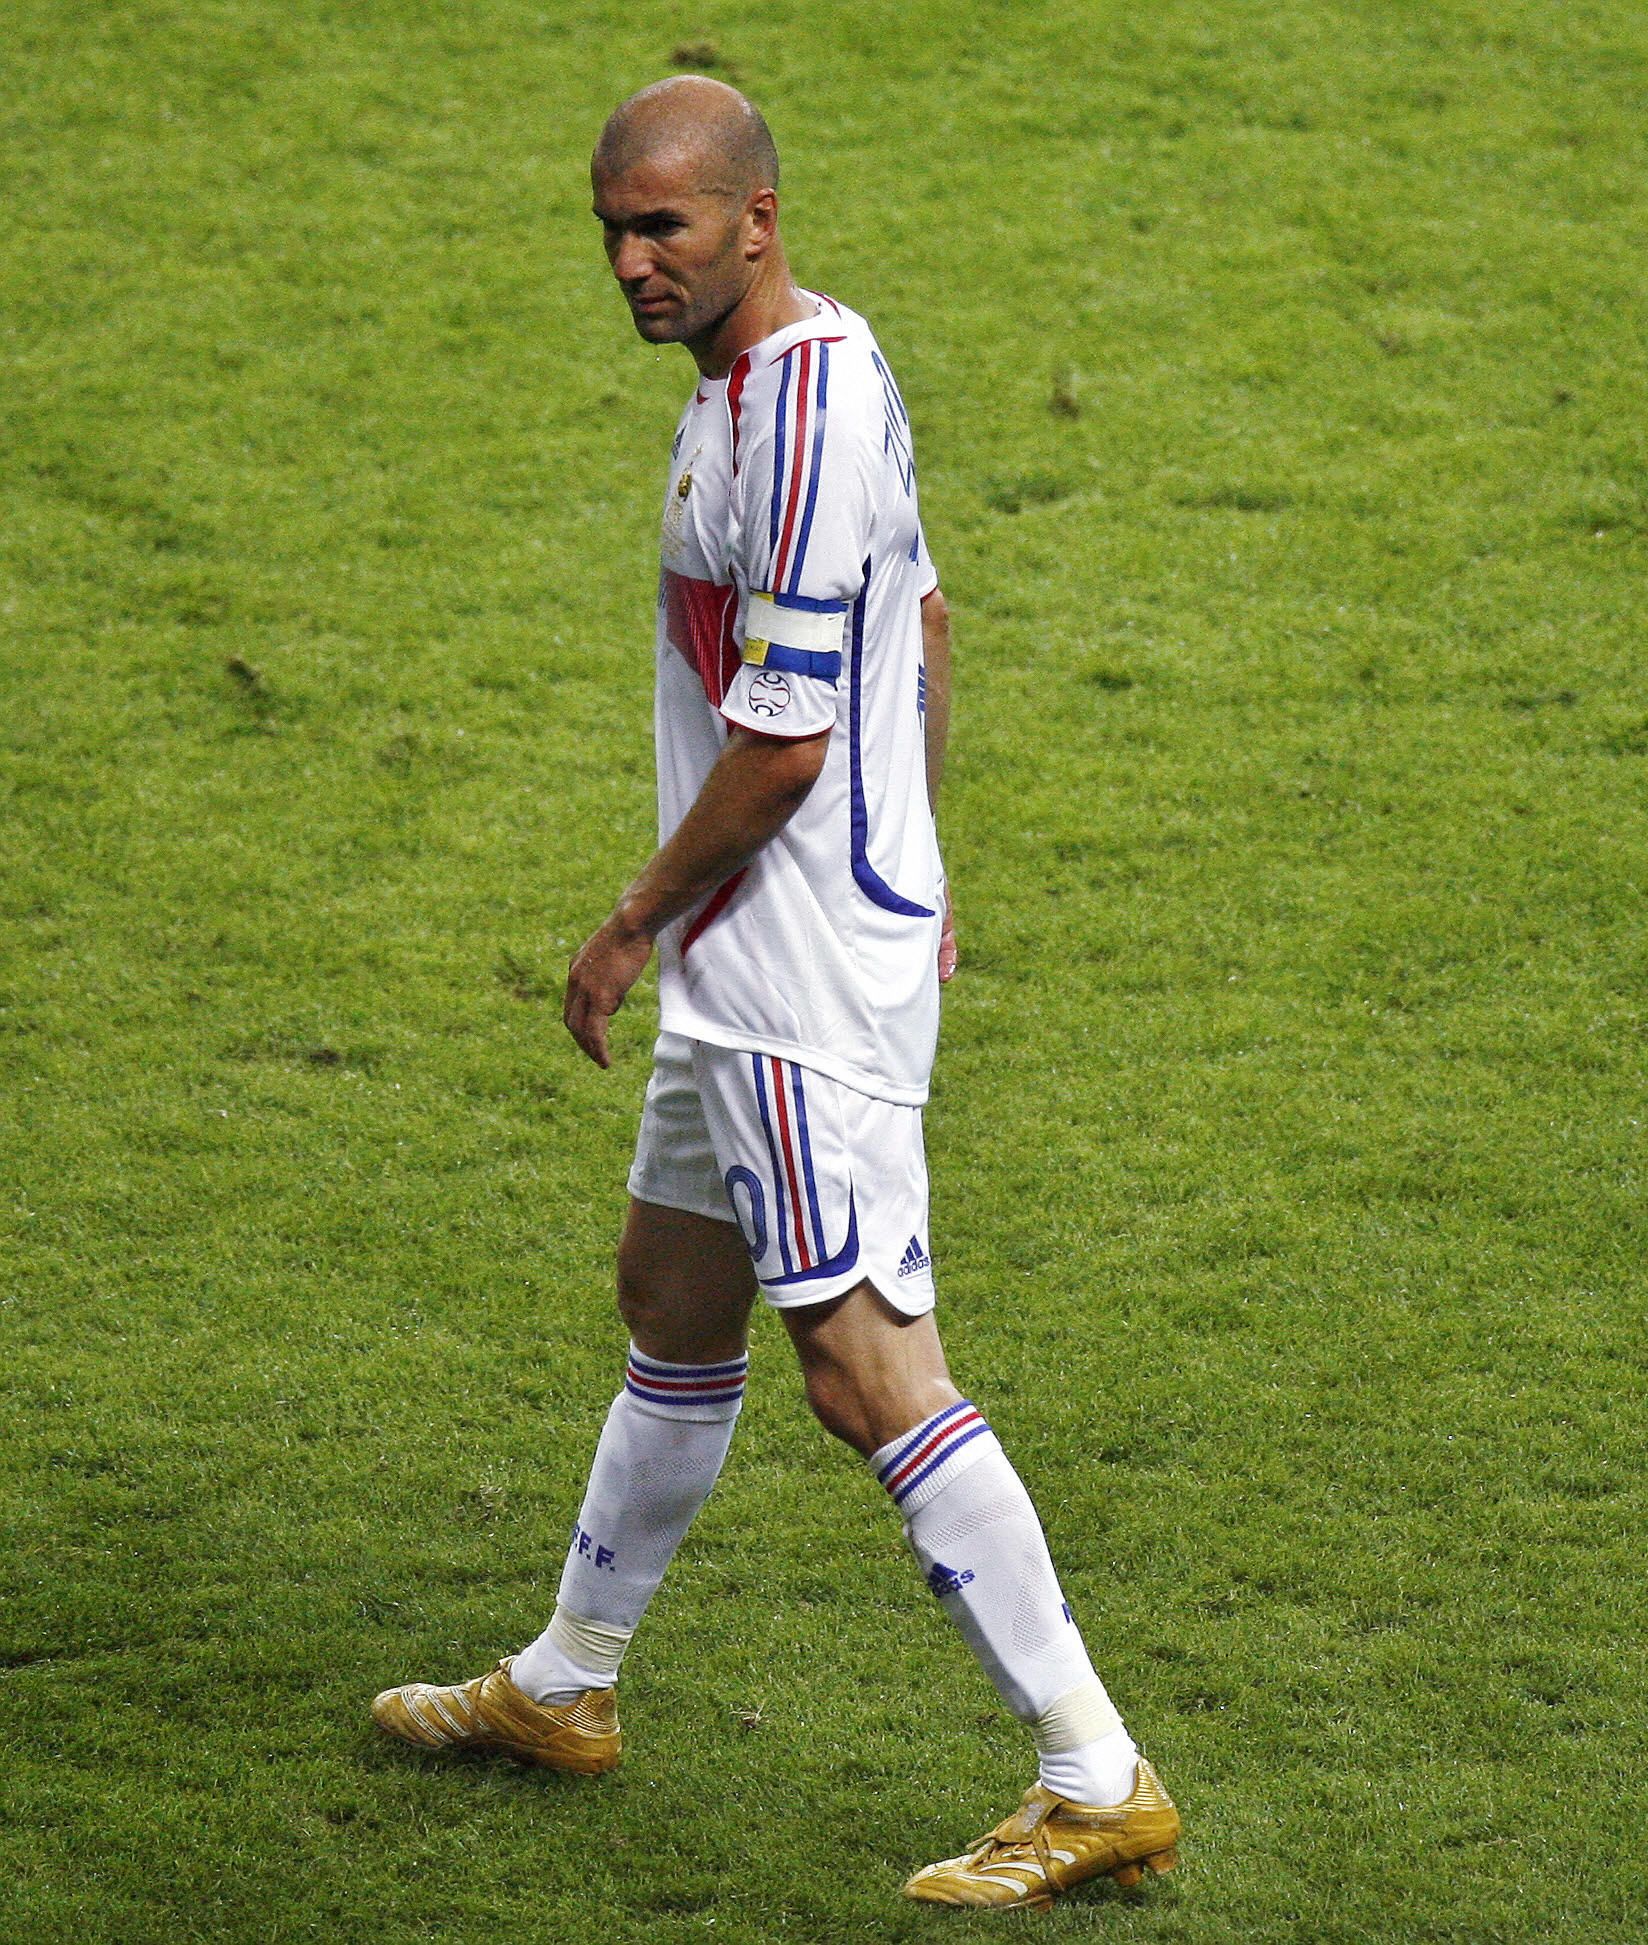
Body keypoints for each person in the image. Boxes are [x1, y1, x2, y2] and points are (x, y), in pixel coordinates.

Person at [371, 76, 1180, 1911]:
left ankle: (1094, 1767)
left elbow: (788, 745)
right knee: (671, 1292)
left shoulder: (794, 431)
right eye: (609, 231)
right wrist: (934, 858)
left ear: (757, 217)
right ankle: (569, 1683)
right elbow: (935, 626)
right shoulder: (797, 371)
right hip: (766, 948)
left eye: (662, 227)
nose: (631, 262)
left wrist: (631, 917)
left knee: (864, 1365)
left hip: (788, 965)